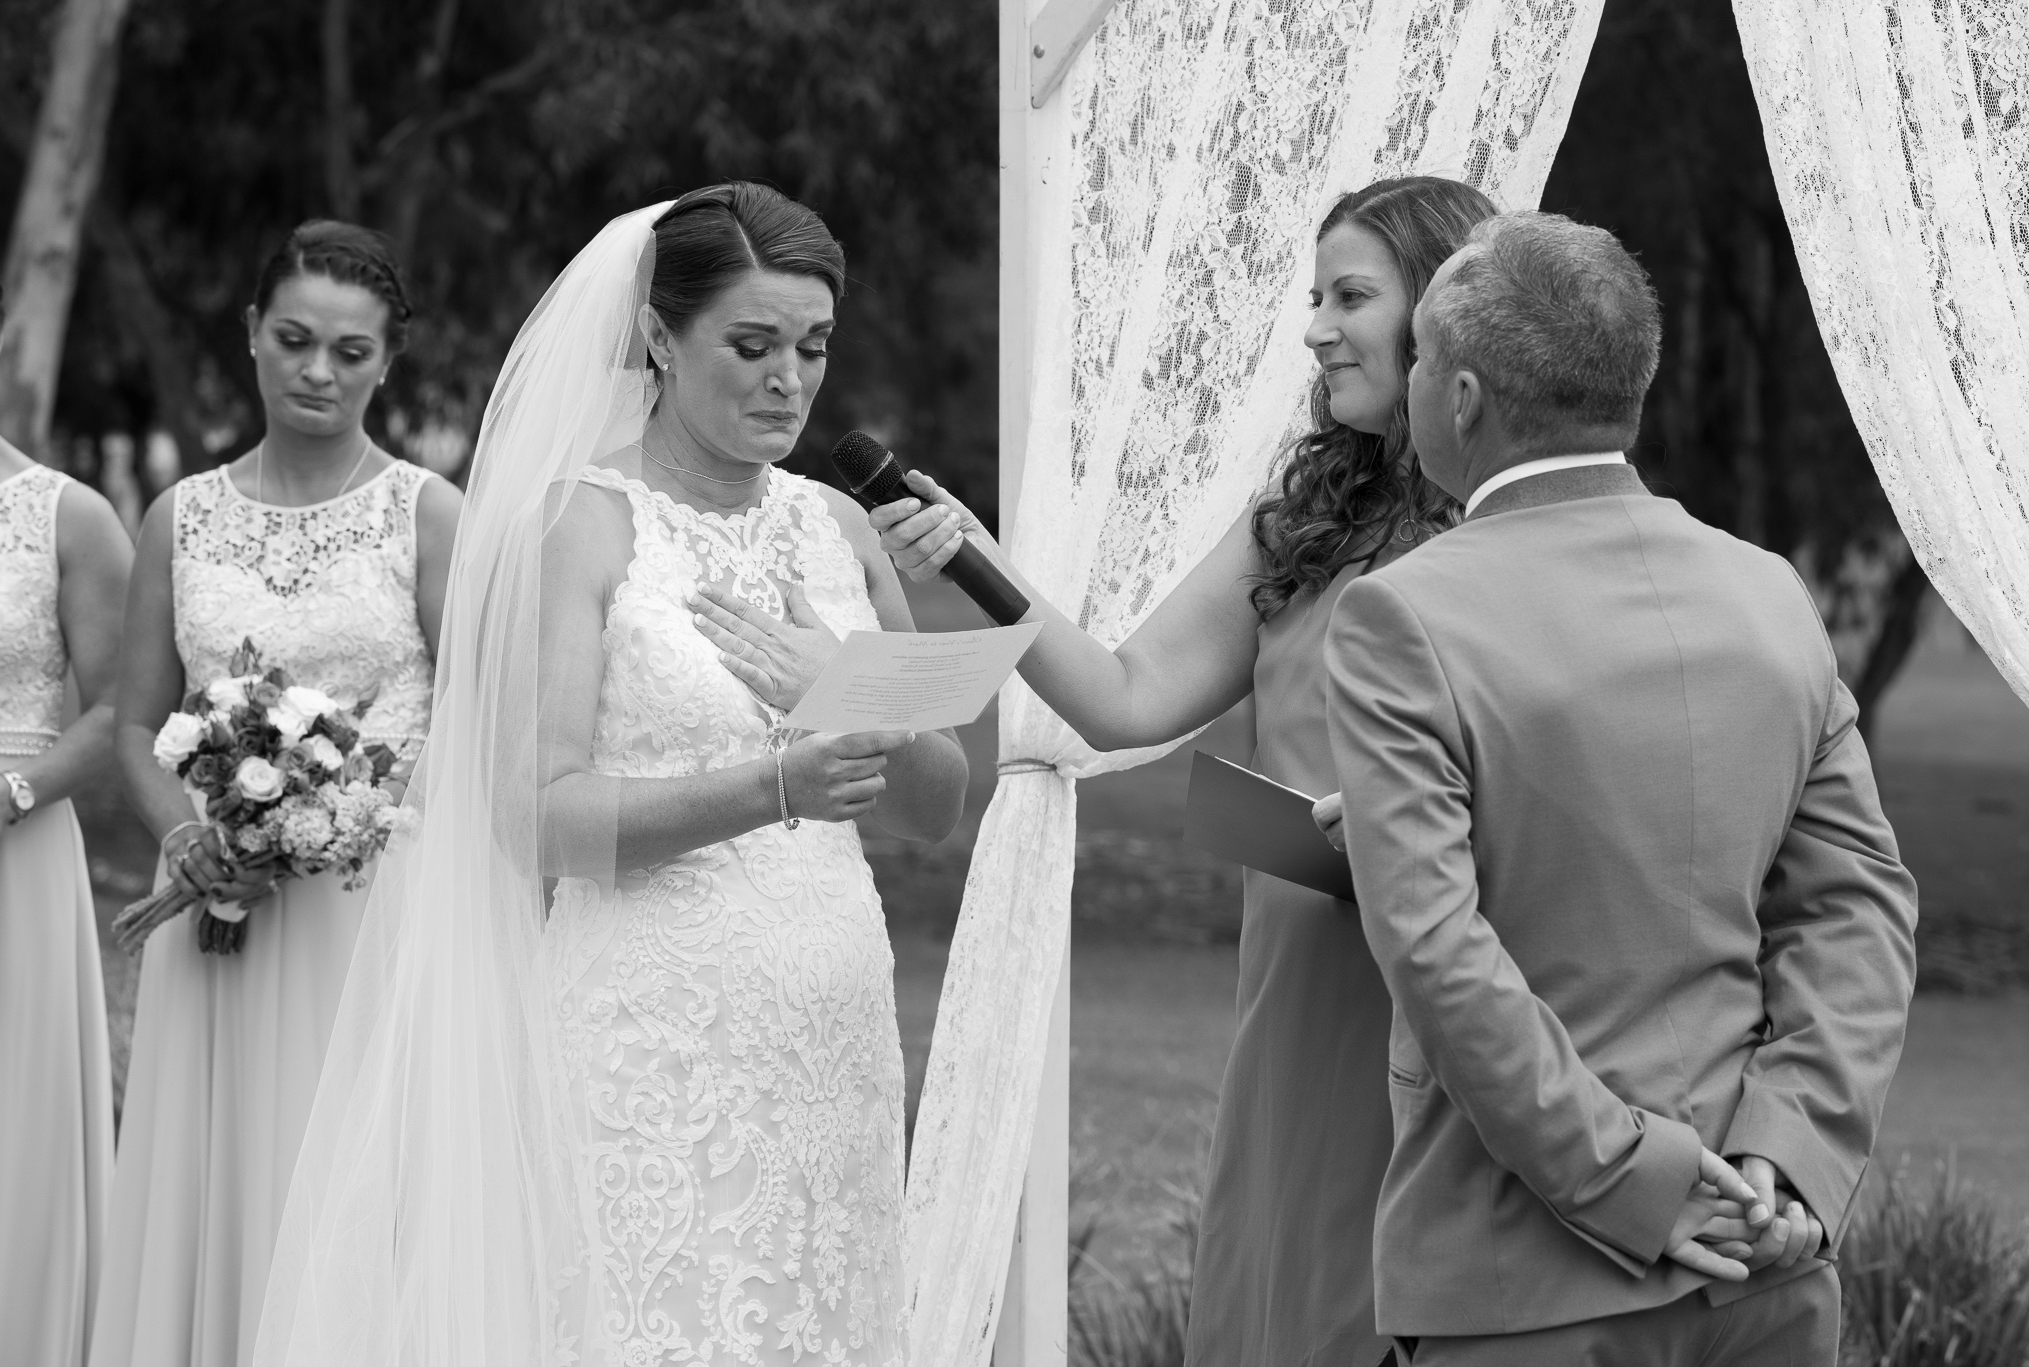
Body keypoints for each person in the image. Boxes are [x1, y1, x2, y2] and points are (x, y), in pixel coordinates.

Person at [254, 185, 967, 1367]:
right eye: (751, 345)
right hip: (653, 1035)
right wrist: (773, 784)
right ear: (657, 338)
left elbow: (938, 807)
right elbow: (536, 820)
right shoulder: (585, 524)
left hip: (834, 1024)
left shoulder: (840, 531)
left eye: (811, 346)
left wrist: (847, 686)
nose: (788, 378)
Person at [816, 176, 1493, 1367]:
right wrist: (974, 555)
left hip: (1451, 985)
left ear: (1443, 313)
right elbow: (1123, 697)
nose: (1315, 327)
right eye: (1312, 297)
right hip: (1299, 981)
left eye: (1350, 296)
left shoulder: (1504, 533)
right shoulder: (1301, 518)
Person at [1324, 210, 1918, 1365]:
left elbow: (1441, 953)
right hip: (1764, 1271)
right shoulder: (1766, 593)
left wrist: (1635, 1180)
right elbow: (1856, 907)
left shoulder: (1405, 614)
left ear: (1458, 399)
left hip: (1526, 1285)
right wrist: (1782, 1152)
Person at [92, 220, 462, 1367]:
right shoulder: (179, 517)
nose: (318, 370)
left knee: (351, 1175)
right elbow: (132, 725)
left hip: (373, 909)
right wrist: (190, 835)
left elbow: (476, 716)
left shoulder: (427, 513)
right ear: (251, 334)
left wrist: (343, 811)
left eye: (351, 352)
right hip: (214, 910)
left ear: (387, 362)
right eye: (295, 339)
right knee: (222, 1177)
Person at [0, 241, 134, 1367]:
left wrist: (12, 792)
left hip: (13, 845)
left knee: (12, 1133)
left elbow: (123, 705)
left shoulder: (69, 517)